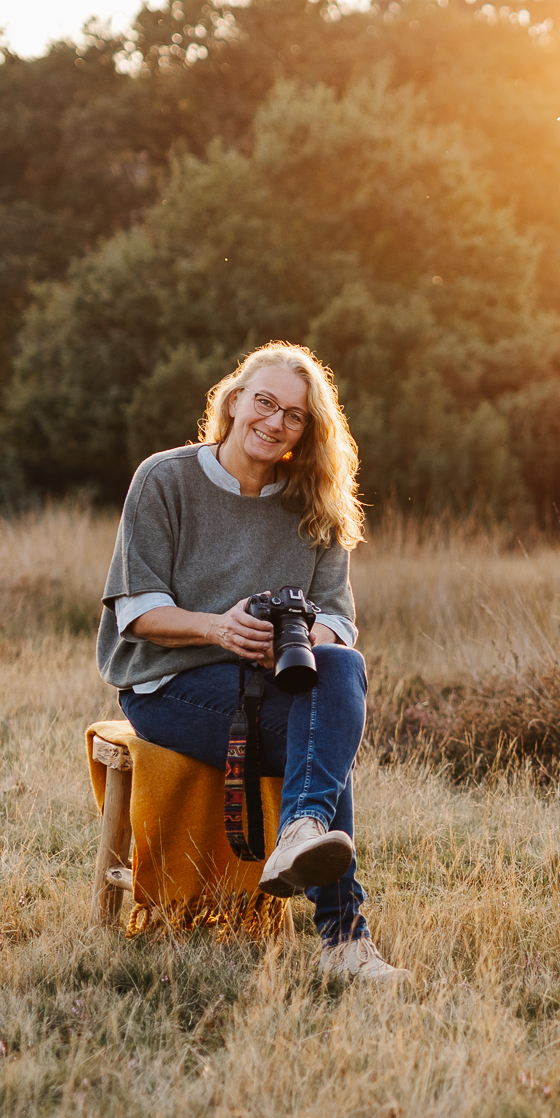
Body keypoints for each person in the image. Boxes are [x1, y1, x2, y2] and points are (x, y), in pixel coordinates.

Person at [95, 342, 408, 984]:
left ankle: (302, 830)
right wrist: (220, 627)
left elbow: (340, 619)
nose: (275, 422)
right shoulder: (166, 478)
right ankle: (345, 942)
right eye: (265, 402)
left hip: (271, 682)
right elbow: (137, 611)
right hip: (168, 684)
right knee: (318, 739)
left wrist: (300, 636)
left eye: (294, 415)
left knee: (342, 667)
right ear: (234, 401)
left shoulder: (315, 502)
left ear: (307, 430)